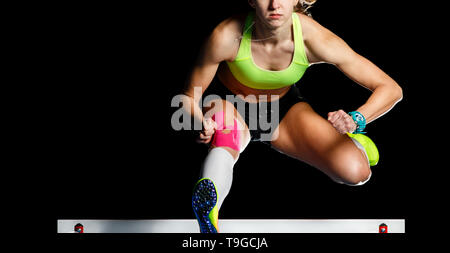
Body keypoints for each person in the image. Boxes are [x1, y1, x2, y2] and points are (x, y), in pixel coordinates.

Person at [181, 0, 403, 233]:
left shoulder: (314, 38)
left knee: (356, 172)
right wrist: (200, 121)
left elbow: (391, 88)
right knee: (227, 136)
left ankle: (356, 144)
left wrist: (357, 118)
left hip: (282, 112)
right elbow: (188, 96)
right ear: (251, 0)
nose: (275, 4)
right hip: (229, 104)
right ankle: (208, 215)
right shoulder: (226, 35)